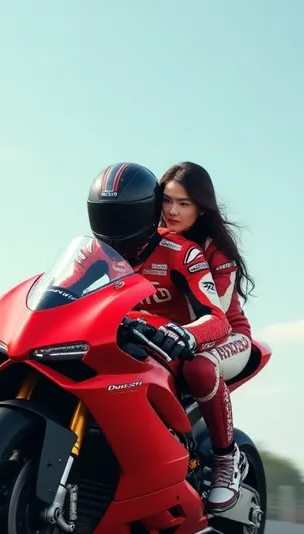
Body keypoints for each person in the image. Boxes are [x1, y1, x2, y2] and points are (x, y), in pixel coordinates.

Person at [86, 161, 251, 513]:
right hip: (163, 336)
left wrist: (182, 334)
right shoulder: (132, 241)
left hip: (222, 336)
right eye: (168, 201)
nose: (173, 211)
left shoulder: (206, 252)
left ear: (201, 208)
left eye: (185, 203)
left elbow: (213, 316)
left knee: (201, 369)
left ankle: (226, 458)